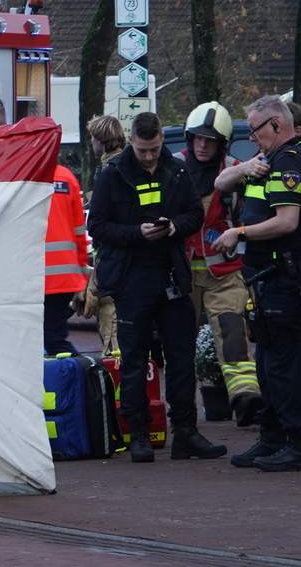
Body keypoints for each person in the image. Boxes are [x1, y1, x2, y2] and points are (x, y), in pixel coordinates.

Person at [88, 112, 224, 462]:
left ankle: (186, 434)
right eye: (143, 150)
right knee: (134, 358)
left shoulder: (175, 170)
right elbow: (98, 226)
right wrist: (137, 234)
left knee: (181, 357)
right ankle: (139, 436)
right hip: (132, 279)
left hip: (171, 276)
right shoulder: (114, 174)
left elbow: (194, 214)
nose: (149, 157)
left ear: (162, 140)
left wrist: (174, 227)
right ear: (131, 140)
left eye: (154, 149)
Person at [213, 95, 301, 471]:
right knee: (266, 363)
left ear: (277, 126)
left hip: (284, 280)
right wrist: (246, 166)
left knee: (284, 364)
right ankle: (272, 437)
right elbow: (221, 181)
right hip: (265, 281)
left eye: (255, 131)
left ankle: (295, 443)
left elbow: (286, 222)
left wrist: (240, 233)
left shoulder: (288, 161)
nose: (253, 138)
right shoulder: (266, 160)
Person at [0, 104, 88, 355]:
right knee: (55, 341)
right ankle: (71, 387)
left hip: (26, 277)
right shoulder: (66, 178)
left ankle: (61, 388)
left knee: (23, 345)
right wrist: (82, 275)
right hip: (60, 279)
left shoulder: (17, 176)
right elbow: (80, 233)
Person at [175, 102, 264, 425]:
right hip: (180, 276)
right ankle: (182, 411)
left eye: (210, 140)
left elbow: (252, 215)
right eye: (197, 138)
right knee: (178, 344)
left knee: (233, 334)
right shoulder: (173, 169)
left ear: (221, 143)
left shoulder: (236, 171)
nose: (202, 145)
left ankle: (245, 400)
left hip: (224, 274)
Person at [81, 115, 126, 353]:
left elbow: (104, 222)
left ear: (100, 139)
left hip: (112, 260)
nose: (90, 141)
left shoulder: (110, 170)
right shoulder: (126, 164)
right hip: (122, 260)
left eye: (91, 137)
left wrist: (95, 287)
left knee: (112, 325)